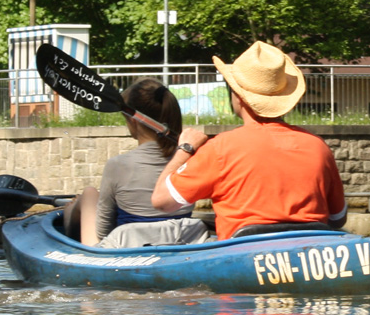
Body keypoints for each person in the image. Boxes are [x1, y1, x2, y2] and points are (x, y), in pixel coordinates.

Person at [151, 41, 347, 240]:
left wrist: (185, 148)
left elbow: (162, 201)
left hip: (241, 261)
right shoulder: (317, 146)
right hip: (307, 258)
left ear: (239, 97)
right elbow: (338, 218)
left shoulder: (220, 148)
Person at [64, 78, 209, 247]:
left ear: (133, 121)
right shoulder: (191, 160)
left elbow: (103, 231)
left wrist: (71, 213)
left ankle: (67, 232)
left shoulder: (117, 166)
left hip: (128, 250)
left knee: (89, 194)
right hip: (181, 241)